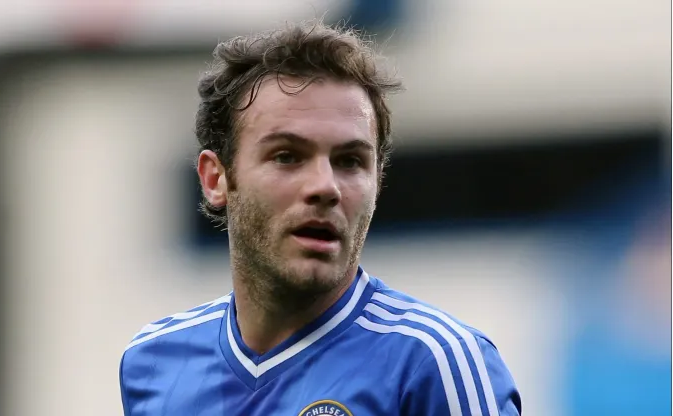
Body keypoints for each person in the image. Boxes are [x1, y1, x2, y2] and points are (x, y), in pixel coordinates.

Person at [120, 20, 522, 416]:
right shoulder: (154, 363)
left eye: (350, 161)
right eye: (287, 156)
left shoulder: (436, 364)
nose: (325, 187)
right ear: (216, 178)